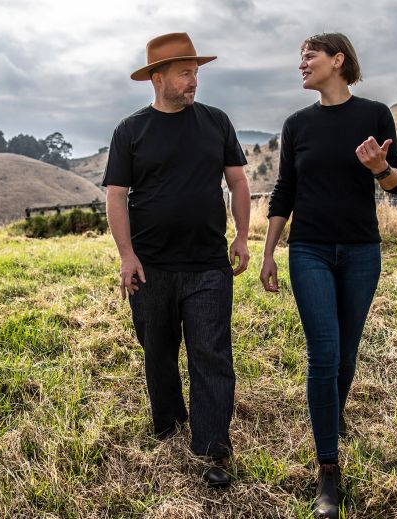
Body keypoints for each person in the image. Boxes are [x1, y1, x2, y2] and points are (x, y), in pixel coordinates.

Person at [259, 33, 397, 518]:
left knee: (346, 354)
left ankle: (332, 415)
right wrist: (268, 252)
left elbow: (396, 185)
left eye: (310, 55)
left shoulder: (374, 114)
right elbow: (284, 191)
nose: (301, 63)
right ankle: (328, 471)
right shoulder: (297, 124)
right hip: (309, 250)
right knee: (323, 353)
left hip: (362, 251)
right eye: (300, 56)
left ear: (338, 60)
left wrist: (381, 168)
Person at [102, 32, 251, 489]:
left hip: (208, 263)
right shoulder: (131, 131)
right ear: (157, 77)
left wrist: (243, 236)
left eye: (196, 72)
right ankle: (168, 425)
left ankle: (211, 447)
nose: (194, 81)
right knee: (159, 351)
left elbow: (239, 184)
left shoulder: (216, 122)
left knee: (211, 353)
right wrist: (126, 255)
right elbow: (116, 196)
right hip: (151, 267)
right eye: (185, 73)